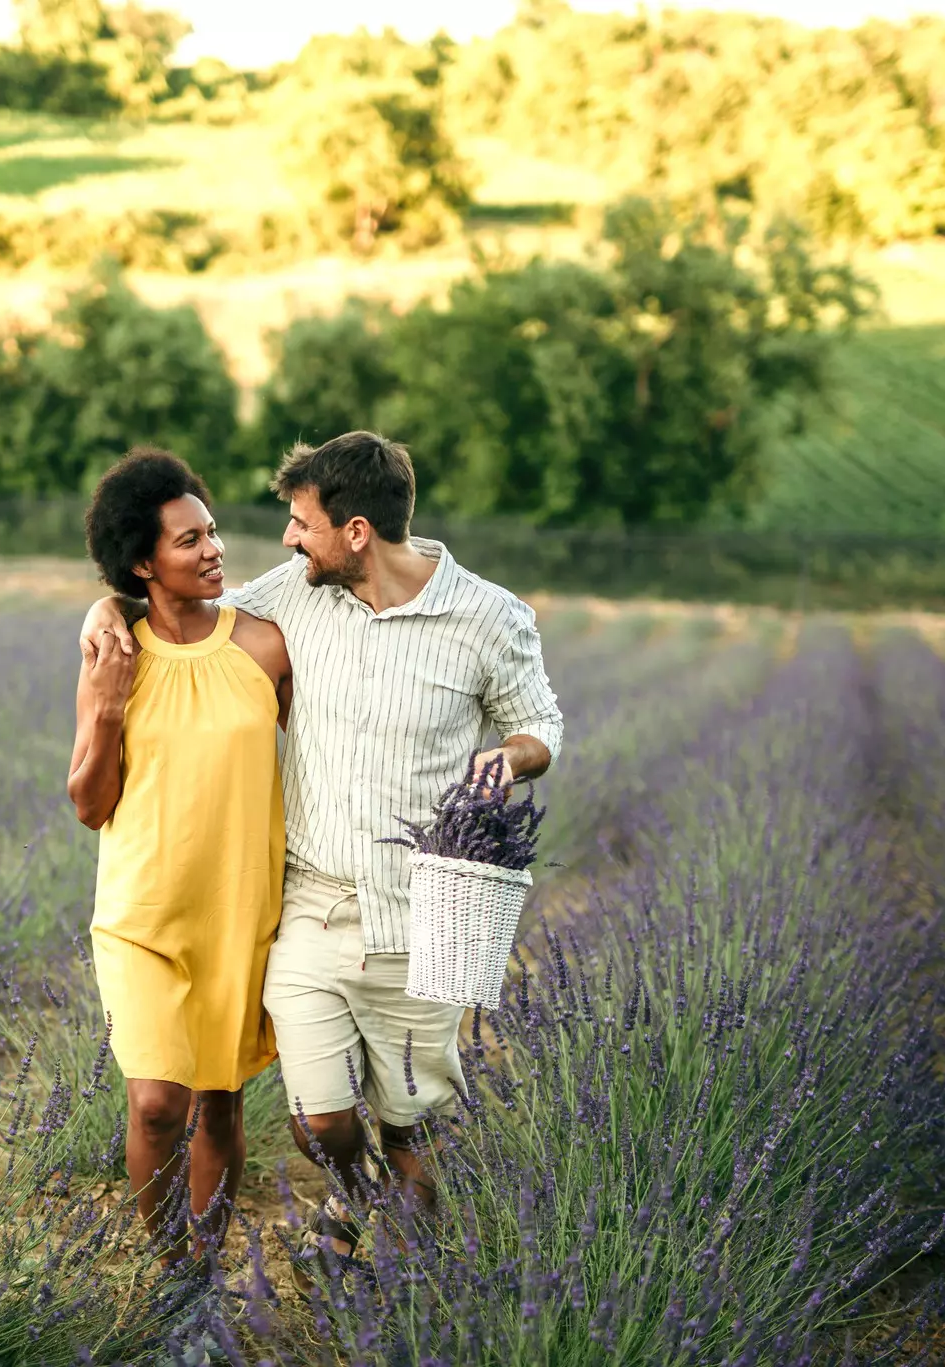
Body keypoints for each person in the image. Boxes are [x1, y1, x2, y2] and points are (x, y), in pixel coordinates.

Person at [79, 431, 563, 1276]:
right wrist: (103, 609)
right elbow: (166, 604)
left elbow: (541, 722)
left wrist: (510, 756)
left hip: (416, 904)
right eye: (287, 524)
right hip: (298, 903)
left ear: (358, 532)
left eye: (302, 523)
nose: (284, 540)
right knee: (312, 1119)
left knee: (405, 1121)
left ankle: (396, 1262)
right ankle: (273, 1239)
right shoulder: (292, 596)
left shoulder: (485, 616)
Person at [67, 447, 292, 1269]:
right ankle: (170, 1269)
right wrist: (107, 710)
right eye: (189, 539)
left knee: (221, 1106)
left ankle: (204, 1263)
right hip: (142, 914)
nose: (213, 549)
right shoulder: (114, 650)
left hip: (240, 912)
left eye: (213, 531)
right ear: (142, 561)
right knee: (158, 1102)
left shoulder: (265, 646)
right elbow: (90, 804)